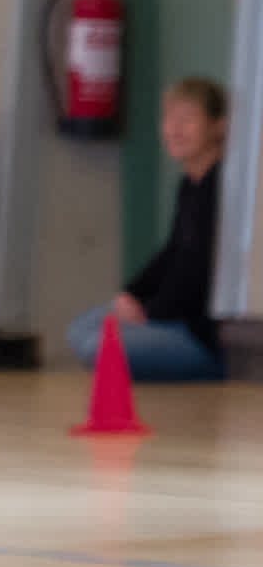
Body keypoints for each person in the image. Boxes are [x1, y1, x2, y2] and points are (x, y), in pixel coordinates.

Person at [71, 76, 229, 383]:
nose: (174, 129)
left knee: (96, 346)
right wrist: (130, 293)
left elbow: (198, 268)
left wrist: (150, 313)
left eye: (187, 119)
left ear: (217, 126)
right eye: (169, 119)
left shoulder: (220, 186)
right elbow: (172, 252)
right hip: (171, 318)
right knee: (81, 327)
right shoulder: (190, 184)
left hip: (202, 334)